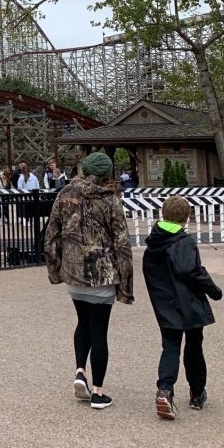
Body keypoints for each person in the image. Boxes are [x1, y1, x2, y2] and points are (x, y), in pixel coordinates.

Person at [43, 151, 134, 410]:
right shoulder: (110, 200)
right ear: (107, 174)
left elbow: (51, 236)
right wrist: (125, 286)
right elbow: (123, 244)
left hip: (73, 272)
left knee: (82, 322)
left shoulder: (64, 195)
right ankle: (98, 391)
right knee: (99, 331)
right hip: (103, 273)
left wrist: (55, 271)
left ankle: (80, 371)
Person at [143, 196, 223, 420]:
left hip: (165, 303)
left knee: (170, 346)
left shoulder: (153, 244)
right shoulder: (184, 242)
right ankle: (197, 392)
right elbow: (191, 271)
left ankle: (165, 389)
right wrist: (213, 290)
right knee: (194, 347)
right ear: (186, 218)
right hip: (189, 303)